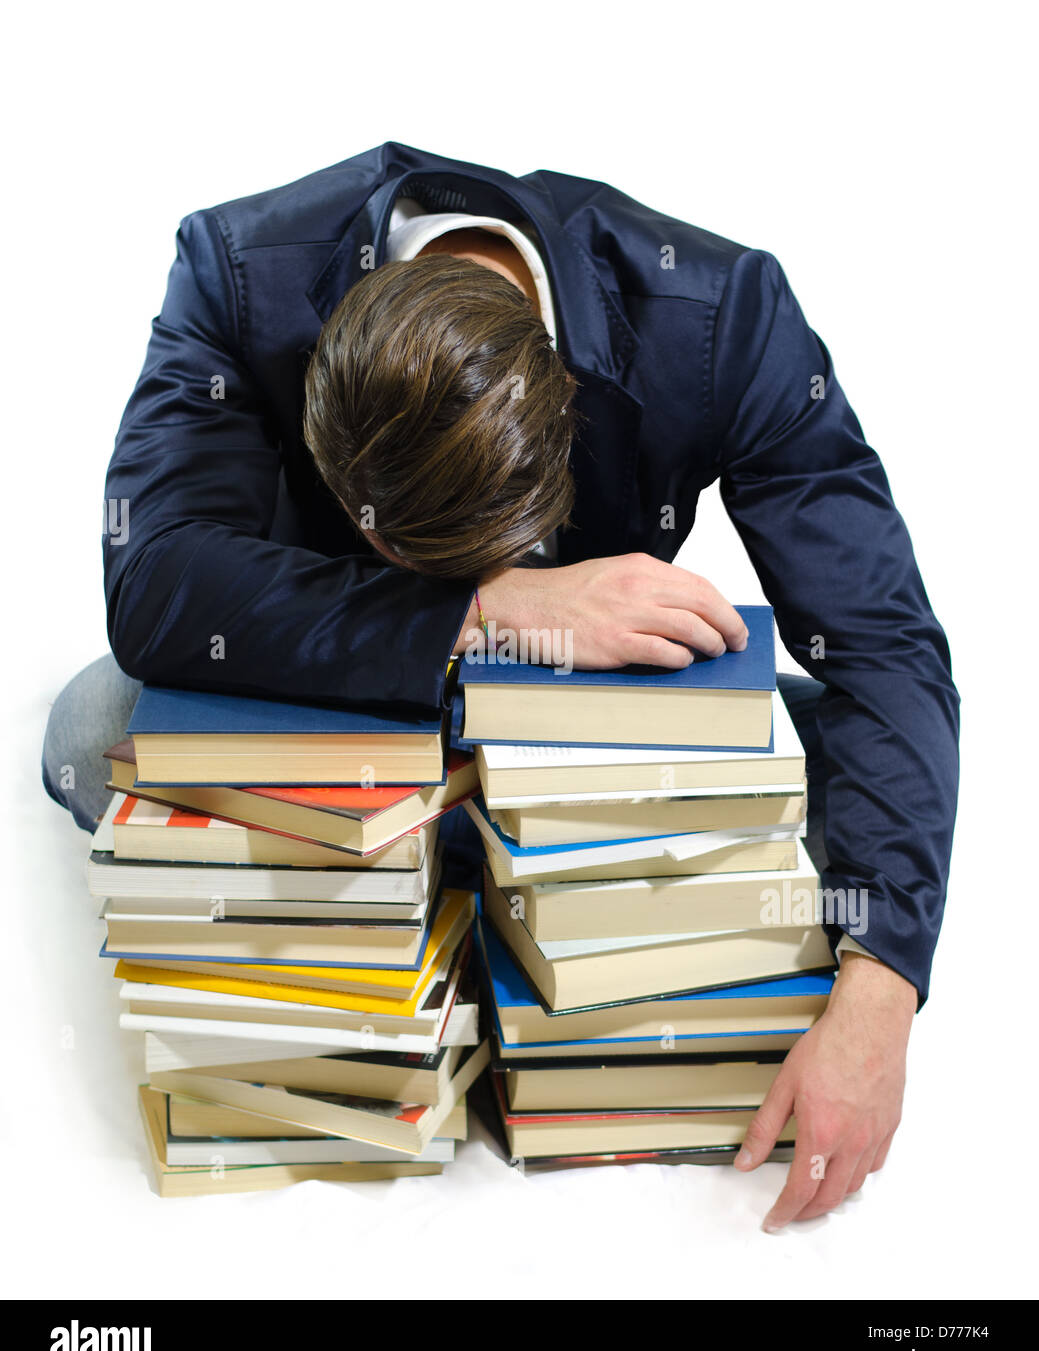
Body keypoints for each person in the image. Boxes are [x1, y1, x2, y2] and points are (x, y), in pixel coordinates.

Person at [42, 141, 959, 1230]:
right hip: (354, 699)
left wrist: (882, 988)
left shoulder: (721, 316)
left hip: (582, 727)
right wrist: (479, 610)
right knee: (97, 720)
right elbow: (153, 576)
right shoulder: (242, 269)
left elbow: (882, 645)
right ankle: (466, 875)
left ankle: (477, 865)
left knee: (813, 762)